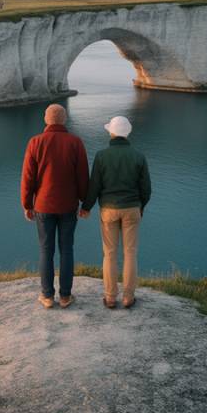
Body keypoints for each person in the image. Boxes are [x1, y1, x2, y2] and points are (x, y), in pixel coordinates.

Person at [20, 104, 89, 308]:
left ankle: (47, 296)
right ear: (64, 119)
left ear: (46, 119)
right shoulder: (75, 142)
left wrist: (27, 204)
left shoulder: (35, 142)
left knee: (45, 250)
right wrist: (85, 203)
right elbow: (83, 177)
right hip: (68, 205)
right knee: (67, 250)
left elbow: (28, 178)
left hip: (42, 206)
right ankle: (66, 296)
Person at [81, 116, 151, 309]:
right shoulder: (139, 156)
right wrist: (140, 206)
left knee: (109, 254)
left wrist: (86, 207)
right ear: (127, 133)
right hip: (132, 208)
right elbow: (146, 188)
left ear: (111, 132)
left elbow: (94, 185)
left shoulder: (102, 156)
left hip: (109, 209)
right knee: (130, 253)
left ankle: (110, 297)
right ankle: (128, 297)